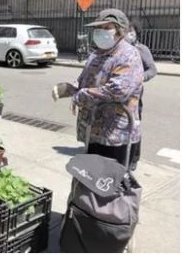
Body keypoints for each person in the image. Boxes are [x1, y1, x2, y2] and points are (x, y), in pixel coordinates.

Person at [52, 9, 144, 169]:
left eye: (106, 28)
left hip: (115, 136)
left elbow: (118, 91)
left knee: (110, 186)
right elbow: (85, 82)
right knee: (90, 181)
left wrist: (82, 95)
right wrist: (68, 89)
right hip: (93, 131)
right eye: (97, 28)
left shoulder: (128, 55)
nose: (100, 32)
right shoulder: (97, 54)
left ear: (120, 30)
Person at [125, 19, 157, 169]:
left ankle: (133, 158)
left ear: (137, 33)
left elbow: (152, 69)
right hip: (120, 94)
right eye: (125, 31)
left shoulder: (141, 49)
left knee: (134, 126)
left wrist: (141, 77)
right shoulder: (120, 49)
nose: (128, 34)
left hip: (135, 96)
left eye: (131, 31)